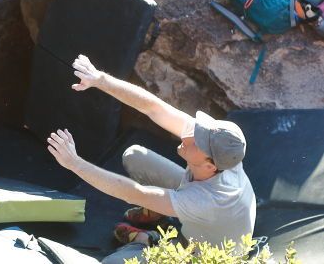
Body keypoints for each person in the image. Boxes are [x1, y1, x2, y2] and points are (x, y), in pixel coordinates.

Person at [47, 55, 256, 264]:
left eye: (196, 141)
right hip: (206, 217)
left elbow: (134, 193)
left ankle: (146, 239)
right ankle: (157, 214)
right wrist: (100, 79)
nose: (187, 135)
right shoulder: (225, 152)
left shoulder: (205, 201)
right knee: (135, 156)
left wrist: (74, 163)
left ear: (209, 165)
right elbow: (154, 108)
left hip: (203, 254)